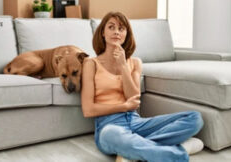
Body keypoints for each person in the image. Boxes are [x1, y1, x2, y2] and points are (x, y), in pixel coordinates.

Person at [81, 11, 204, 162]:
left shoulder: (135, 62)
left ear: (126, 34)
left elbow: (134, 97)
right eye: (111, 27)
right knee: (114, 136)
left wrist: (123, 66)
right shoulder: (91, 63)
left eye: (121, 28)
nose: (116, 32)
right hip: (109, 126)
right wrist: (124, 106)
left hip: (136, 122)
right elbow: (88, 110)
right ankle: (179, 152)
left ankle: (131, 152)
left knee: (194, 118)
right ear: (102, 33)